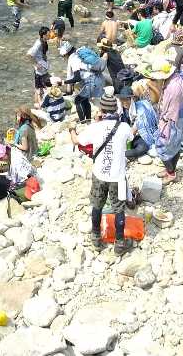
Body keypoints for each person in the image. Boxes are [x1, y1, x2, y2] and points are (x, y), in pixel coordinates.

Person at [68, 92, 131, 254]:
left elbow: (77, 141)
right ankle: (120, 244)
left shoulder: (94, 127)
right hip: (118, 177)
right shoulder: (124, 127)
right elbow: (130, 137)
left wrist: (72, 129)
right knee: (119, 209)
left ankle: (96, 238)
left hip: (99, 175)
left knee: (97, 206)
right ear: (116, 110)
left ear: (101, 109)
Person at [7, 108, 41, 186]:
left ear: (23, 117)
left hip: (28, 154)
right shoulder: (28, 123)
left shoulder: (23, 129)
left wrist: (13, 143)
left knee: (10, 150)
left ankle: (13, 175)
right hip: (33, 149)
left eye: (18, 116)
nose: (16, 118)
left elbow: (25, 147)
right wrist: (16, 131)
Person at [27, 27, 51, 106]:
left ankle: (40, 104)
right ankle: (36, 105)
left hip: (43, 68)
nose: (50, 36)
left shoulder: (44, 41)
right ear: (43, 35)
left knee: (42, 88)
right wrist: (35, 64)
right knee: (38, 89)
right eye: (48, 35)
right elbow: (29, 55)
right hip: (39, 71)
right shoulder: (38, 44)